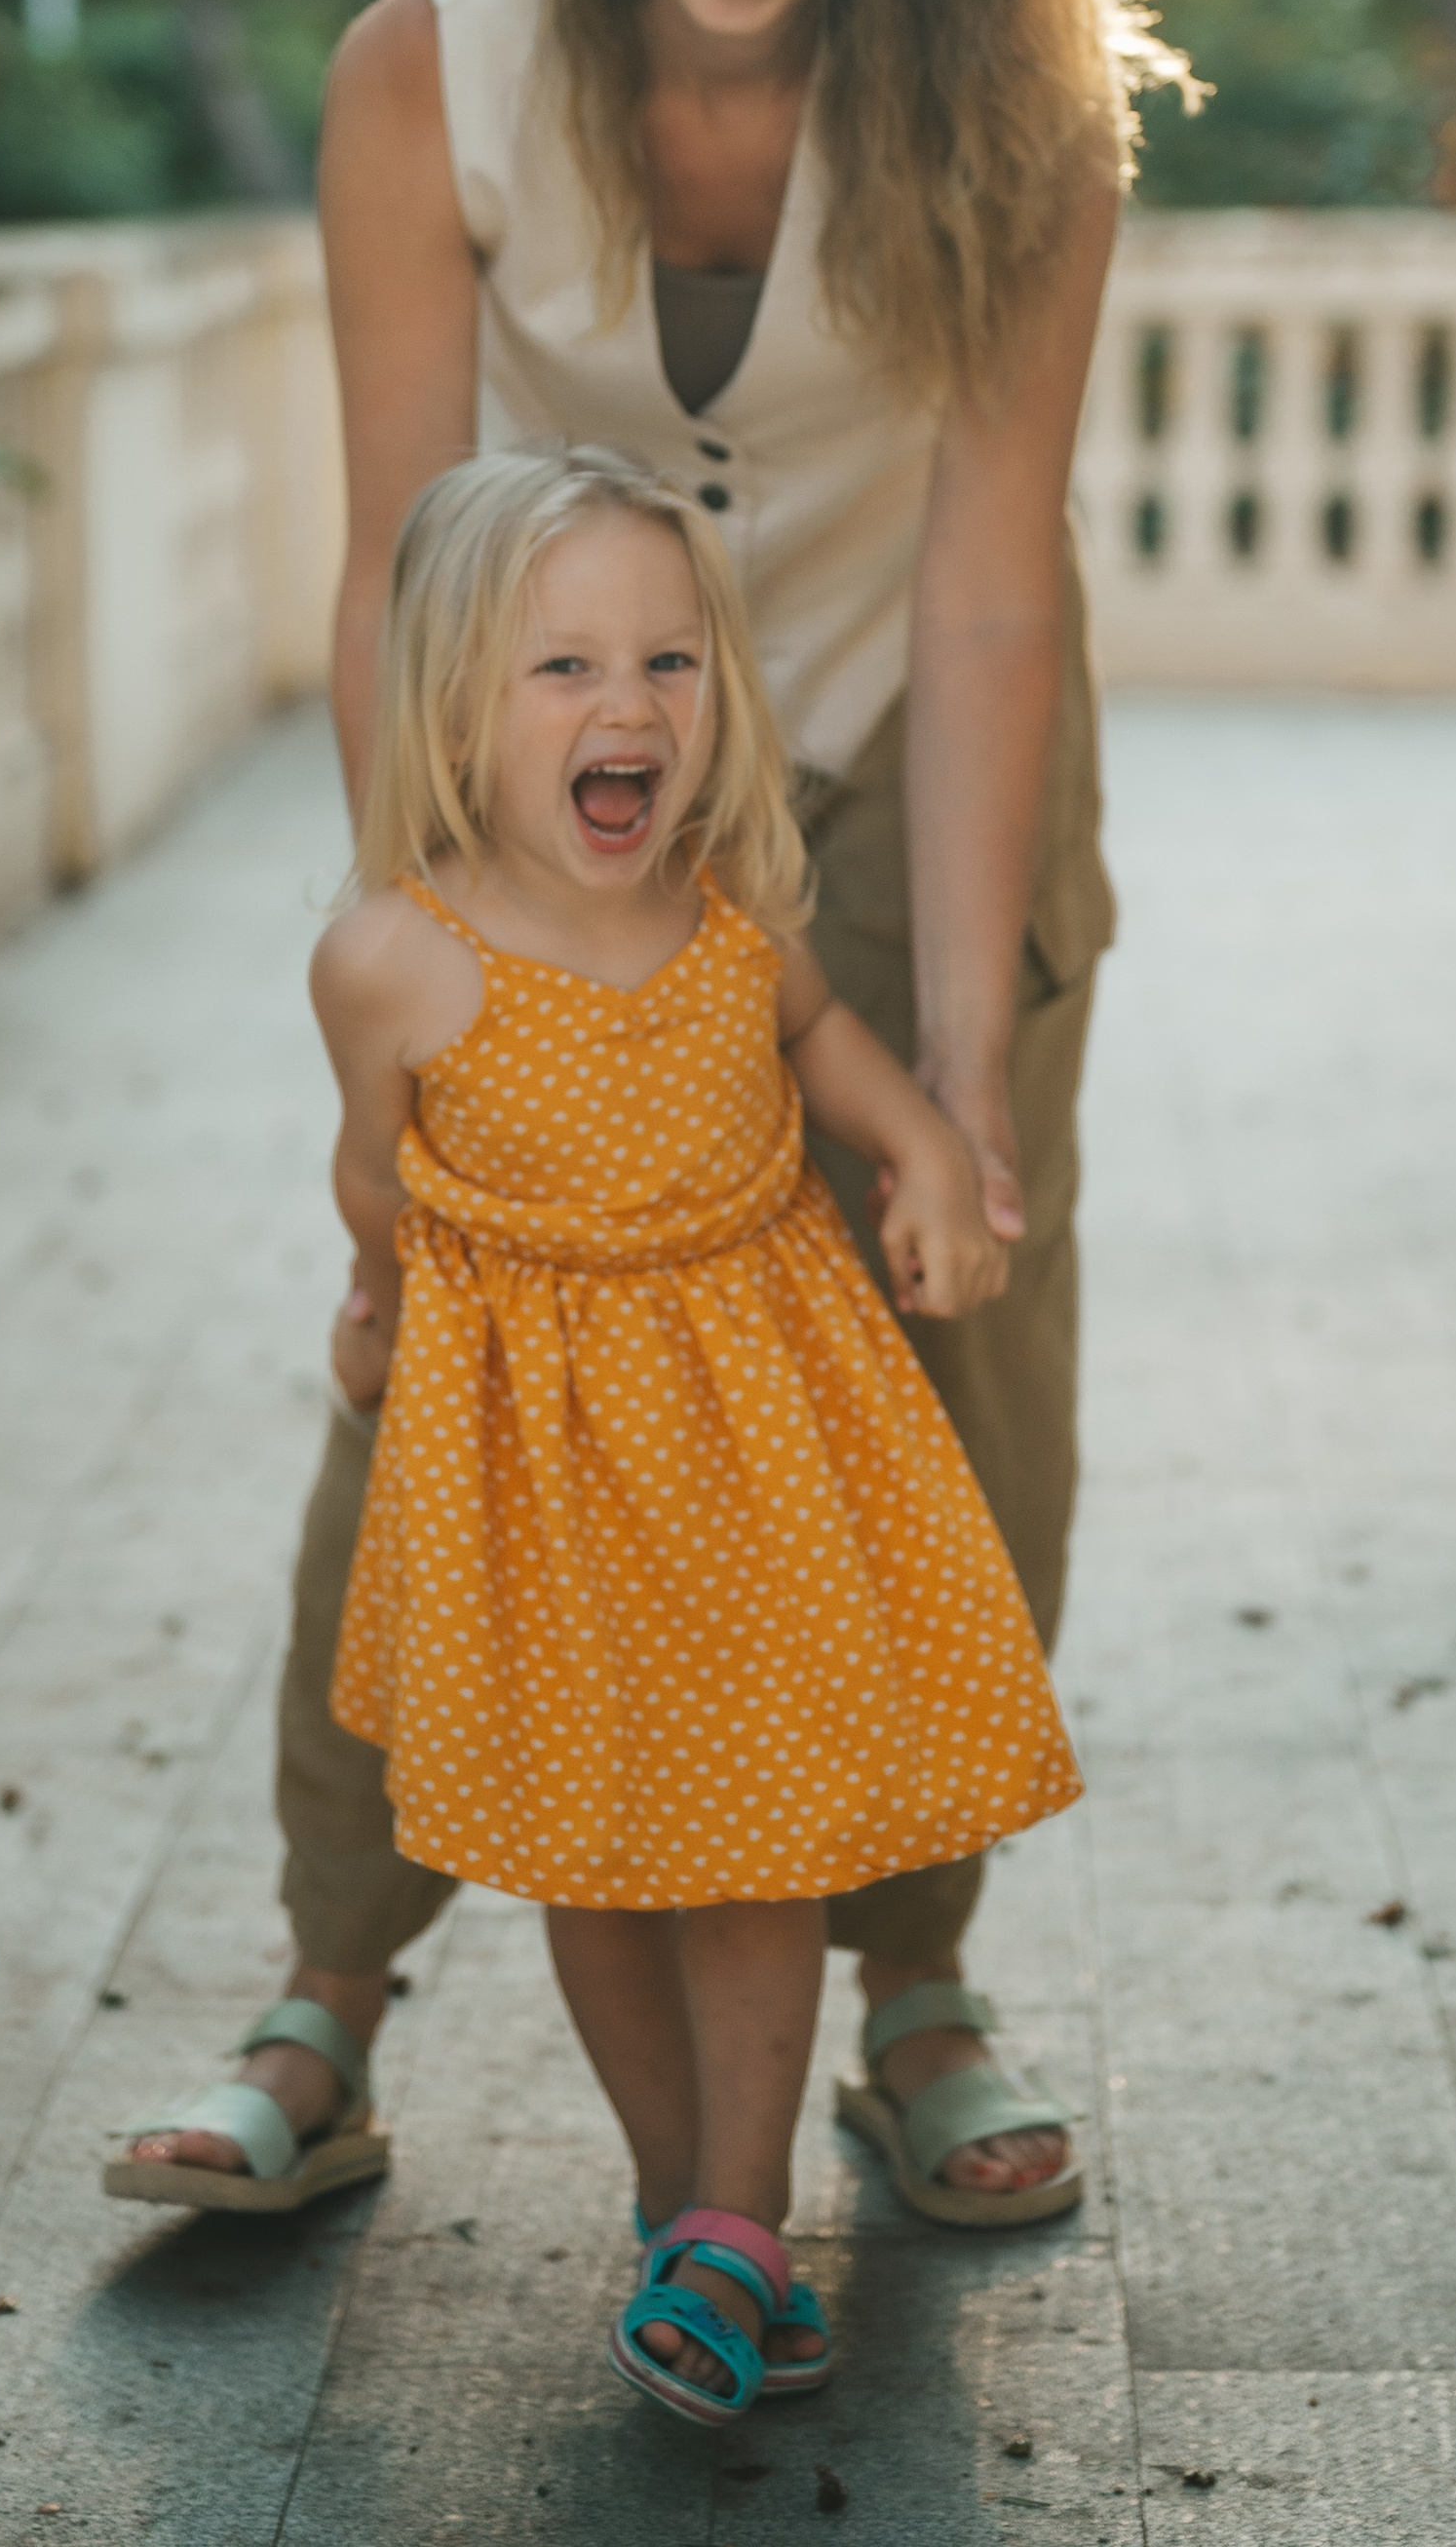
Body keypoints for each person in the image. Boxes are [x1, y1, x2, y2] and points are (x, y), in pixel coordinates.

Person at [104, 0, 1207, 2233]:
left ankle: (913, 1984)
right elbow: (402, 543)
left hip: (909, 730)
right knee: (470, 1328)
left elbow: (986, 578)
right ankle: (325, 1993)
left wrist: (951, 1071)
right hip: (558, 742)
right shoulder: (432, 64)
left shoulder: (1022, 89)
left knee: (946, 1337)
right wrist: (423, 929)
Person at [345, 446, 1080, 2417]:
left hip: (761, 1456)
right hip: (542, 1490)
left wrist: (930, 1150)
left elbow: (832, 1052)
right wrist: (369, 1307)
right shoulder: (393, 959)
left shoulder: (733, 913)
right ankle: (687, 2212)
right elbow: (377, 1179)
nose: (632, 708)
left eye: (669, 661)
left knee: (759, 1850)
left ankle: (742, 2225)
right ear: (450, 708)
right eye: (565, 667)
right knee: (593, 1864)